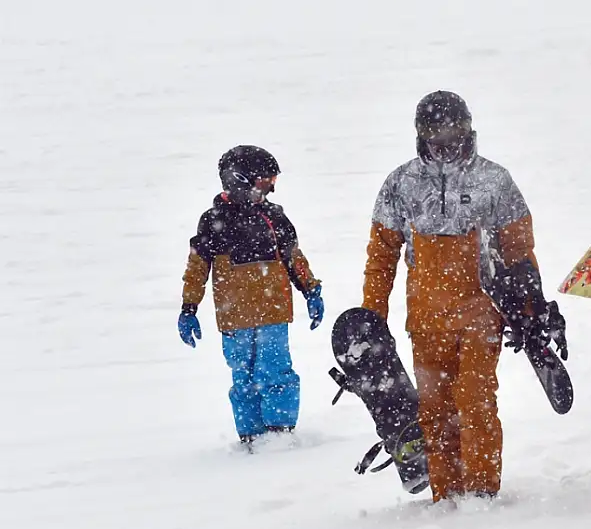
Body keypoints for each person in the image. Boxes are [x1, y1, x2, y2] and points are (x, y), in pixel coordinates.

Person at [361, 91, 566, 503]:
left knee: (474, 401)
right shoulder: (400, 183)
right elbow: (381, 255)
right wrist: (372, 314)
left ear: (469, 129)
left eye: (454, 130)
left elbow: (519, 250)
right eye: (436, 132)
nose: (447, 140)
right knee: (433, 407)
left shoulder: (495, 180)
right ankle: (447, 495)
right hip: (424, 316)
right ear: (421, 134)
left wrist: (530, 309)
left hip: (481, 313)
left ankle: (481, 492)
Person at [178, 145, 325, 446]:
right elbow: (197, 267)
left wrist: (311, 290)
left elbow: (293, 257)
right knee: (242, 376)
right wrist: (189, 307)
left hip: (273, 312)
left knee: (276, 372)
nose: (270, 187)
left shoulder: (273, 217)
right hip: (235, 317)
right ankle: (251, 436)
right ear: (241, 181)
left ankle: (280, 433)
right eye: (265, 180)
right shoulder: (213, 221)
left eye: (273, 181)